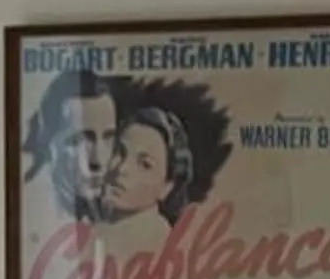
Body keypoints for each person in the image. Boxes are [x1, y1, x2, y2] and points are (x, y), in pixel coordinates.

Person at [102, 80, 231, 226]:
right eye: (119, 152)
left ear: (168, 187)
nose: (121, 168)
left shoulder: (155, 240)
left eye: (145, 165)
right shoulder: (104, 229)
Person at [23, 65, 123, 221]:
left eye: (108, 137)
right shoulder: (30, 210)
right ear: (48, 143)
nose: (98, 161)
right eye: (80, 140)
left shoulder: (108, 211)